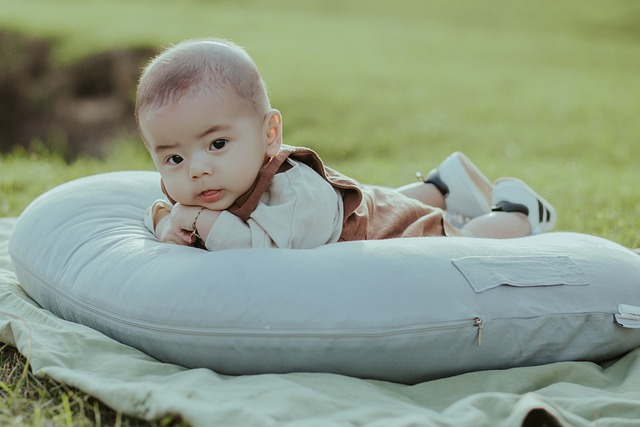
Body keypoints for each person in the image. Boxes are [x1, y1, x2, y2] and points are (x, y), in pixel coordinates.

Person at [136, 38, 556, 251]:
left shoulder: (294, 192)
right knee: (384, 198)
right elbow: (163, 209)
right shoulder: (204, 184)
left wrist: (197, 223)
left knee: (461, 238)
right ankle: (443, 188)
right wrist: (166, 222)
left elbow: (262, 256)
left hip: (384, 234)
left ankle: (518, 212)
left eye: (218, 143)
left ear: (270, 135)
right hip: (360, 204)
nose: (196, 169)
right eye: (173, 157)